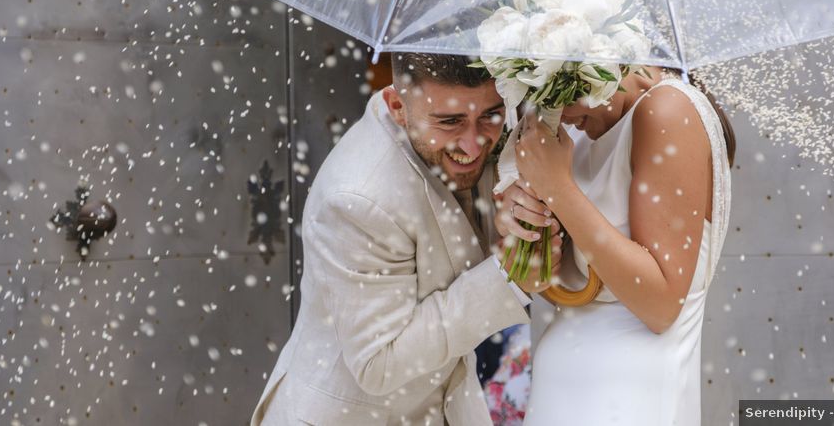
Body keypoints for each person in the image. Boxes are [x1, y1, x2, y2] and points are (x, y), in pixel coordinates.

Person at [251, 52, 561, 426]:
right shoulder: (357, 199)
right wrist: (508, 280)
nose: (474, 144)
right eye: (450, 122)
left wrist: (512, 183)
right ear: (397, 105)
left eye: (491, 116)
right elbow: (379, 363)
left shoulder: (463, 138)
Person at [496, 66, 734, 425]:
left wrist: (558, 189)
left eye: (550, 91)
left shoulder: (668, 110)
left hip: (628, 400)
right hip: (559, 391)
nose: (553, 111)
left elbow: (660, 306)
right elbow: (563, 285)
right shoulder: (575, 131)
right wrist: (524, 231)